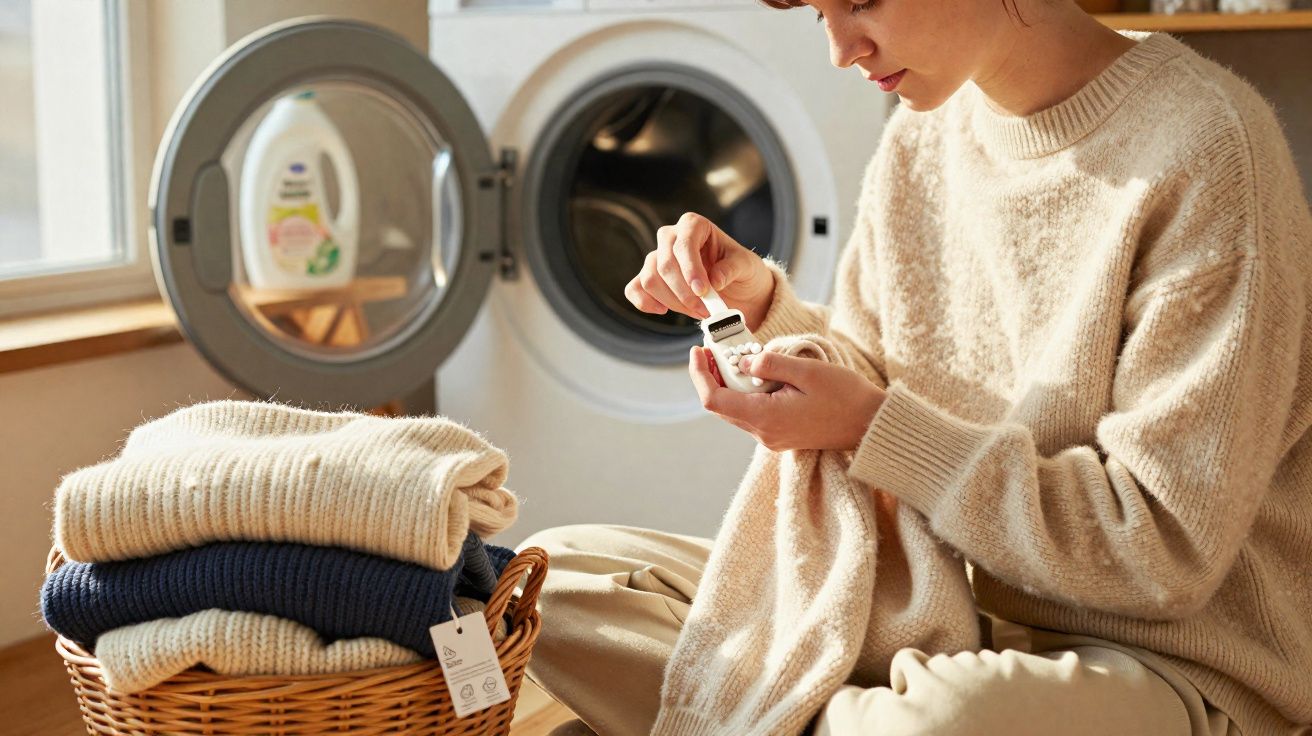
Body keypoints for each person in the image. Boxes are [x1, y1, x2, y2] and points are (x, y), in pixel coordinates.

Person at [516, 0, 1312, 733]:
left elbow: (1163, 552)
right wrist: (760, 308)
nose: (839, 48)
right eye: (821, 13)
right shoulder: (923, 136)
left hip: (1171, 665)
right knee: (553, 580)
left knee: (943, 721)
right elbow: (877, 380)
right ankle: (797, 710)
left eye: (861, 0)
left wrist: (867, 424)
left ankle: (759, 707)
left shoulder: (1208, 148)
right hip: (943, 607)